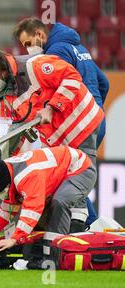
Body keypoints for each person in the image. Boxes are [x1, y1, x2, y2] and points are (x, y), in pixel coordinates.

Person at [0, 49, 104, 231]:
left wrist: (53, 107)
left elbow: (72, 78)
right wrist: (9, 165)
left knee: (74, 184)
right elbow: (17, 129)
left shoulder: (35, 65)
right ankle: (70, 233)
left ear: (1, 71)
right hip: (58, 137)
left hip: (82, 123)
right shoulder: (7, 93)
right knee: (62, 189)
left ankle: (77, 232)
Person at [13, 17, 109, 224]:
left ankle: (89, 226)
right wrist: (96, 108)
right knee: (77, 172)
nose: (28, 49)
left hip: (75, 123)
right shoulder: (79, 47)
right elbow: (104, 82)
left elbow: (57, 87)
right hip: (94, 119)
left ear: (39, 35)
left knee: (71, 175)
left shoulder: (54, 53)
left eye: (28, 43)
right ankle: (90, 224)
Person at [0, 146, 96, 268]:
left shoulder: (27, 176)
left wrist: (14, 239)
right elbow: (10, 203)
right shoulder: (6, 170)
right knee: (46, 212)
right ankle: (44, 254)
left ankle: (55, 258)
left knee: (59, 202)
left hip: (81, 169)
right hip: (64, 170)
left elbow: (31, 211)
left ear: (4, 186)